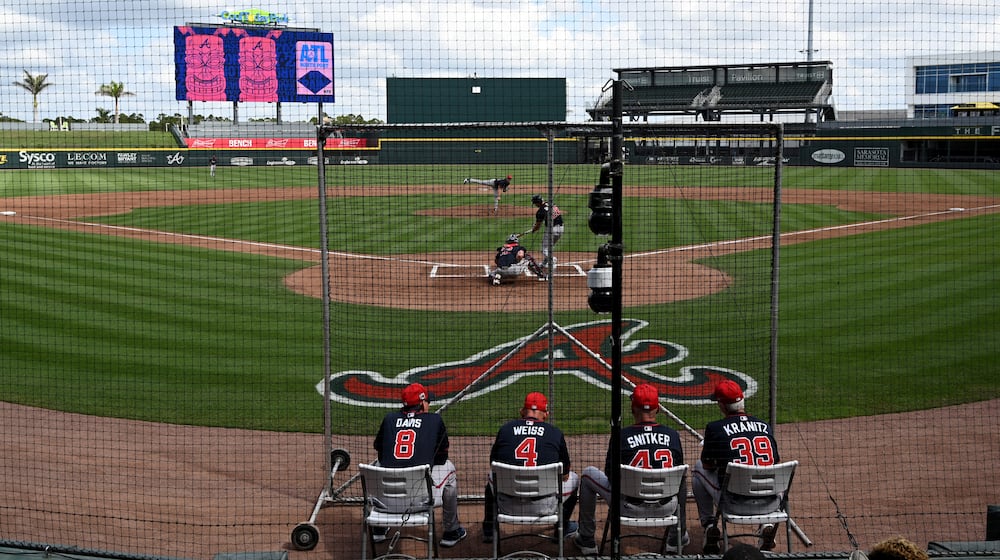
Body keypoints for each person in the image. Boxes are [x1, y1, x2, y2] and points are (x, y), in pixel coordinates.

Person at [572, 383, 686, 555]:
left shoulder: (621, 435)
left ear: (633, 409)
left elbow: (610, 475)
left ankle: (587, 540)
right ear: (658, 409)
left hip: (626, 508)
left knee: (588, 474)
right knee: (681, 478)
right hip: (667, 508)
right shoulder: (673, 435)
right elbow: (677, 473)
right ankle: (676, 538)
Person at [373, 383, 467, 547]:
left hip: (385, 502)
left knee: (375, 465)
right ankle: (451, 531)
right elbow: (442, 457)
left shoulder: (389, 419)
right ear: (422, 403)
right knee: (449, 468)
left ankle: (379, 528)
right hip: (420, 501)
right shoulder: (434, 420)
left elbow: (379, 450)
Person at [692, 379, 780, 554]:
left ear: (722, 406)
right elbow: (774, 462)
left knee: (697, 468)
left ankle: (709, 524)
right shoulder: (764, 426)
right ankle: (767, 524)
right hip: (769, 503)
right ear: (743, 400)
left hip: (733, 503)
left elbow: (708, 465)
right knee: (773, 472)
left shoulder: (715, 428)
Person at [482, 392, 580, 544]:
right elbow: (565, 475)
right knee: (574, 478)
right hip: (544, 507)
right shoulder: (554, 433)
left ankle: (489, 530)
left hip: (507, 504)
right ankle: (561, 528)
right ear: (546, 413)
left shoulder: (505, 430)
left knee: (491, 476)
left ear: (522, 411)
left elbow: (493, 465)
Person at [522, 195, 564, 269]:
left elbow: (537, 227)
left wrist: (533, 229)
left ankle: (552, 260)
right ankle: (544, 263)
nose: (535, 205)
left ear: (538, 203)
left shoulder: (540, 211)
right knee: (550, 247)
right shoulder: (551, 204)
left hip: (551, 230)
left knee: (544, 249)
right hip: (561, 228)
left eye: (535, 203)